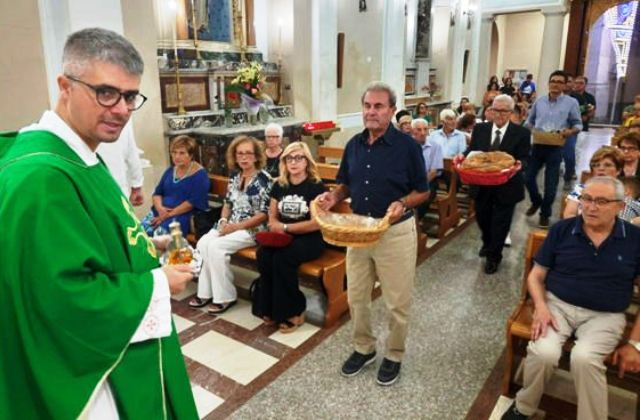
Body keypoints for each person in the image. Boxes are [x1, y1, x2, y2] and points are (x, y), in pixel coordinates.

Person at [0, 27, 197, 419]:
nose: (122, 109)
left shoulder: (79, 154)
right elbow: (61, 298)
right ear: (65, 86)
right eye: (106, 92)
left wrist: (145, 245)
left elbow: (88, 239)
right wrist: (160, 283)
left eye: (130, 96)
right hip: (91, 378)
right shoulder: (43, 177)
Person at [317, 81, 428, 386]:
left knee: (396, 301)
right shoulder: (354, 144)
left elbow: (422, 191)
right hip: (359, 231)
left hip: (395, 233)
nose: (371, 112)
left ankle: (394, 354)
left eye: (379, 106)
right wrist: (334, 197)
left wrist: (401, 202)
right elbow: (345, 184)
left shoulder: (407, 147)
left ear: (392, 110)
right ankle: (363, 348)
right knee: (357, 297)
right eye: (367, 106)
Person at [501, 176, 640, 420]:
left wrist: (634, 344)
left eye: (601, 201)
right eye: (586, 199)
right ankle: (523, 407)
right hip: (557, 306)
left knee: (584, 359)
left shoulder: (634, 239)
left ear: (620, 206)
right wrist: (541, 307)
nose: (591, 207)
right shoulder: (562, 230)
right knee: (544, 352)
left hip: (605, 315)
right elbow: (536, 276)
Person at [189, 135, 271, 314]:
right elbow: (227, 203)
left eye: (248, 153)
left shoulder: (264, 180)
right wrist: (224, 221)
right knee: (203, 242)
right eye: (239, 153)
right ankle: (205, 292)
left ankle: (226, 296)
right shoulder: (235, 176)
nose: (243, 157)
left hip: (252, 229)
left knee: (217, 247)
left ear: (257, 156)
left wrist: (235, 227)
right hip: (230, 224)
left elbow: (263, 215)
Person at [256, 142, 326, 333]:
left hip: (310, 238)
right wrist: (274, 225)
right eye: (289, 158)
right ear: (284, 162)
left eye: (299, 158)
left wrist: (286, 227)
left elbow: (316, 223)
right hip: (283, 236)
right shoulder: (279, 184)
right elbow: (272, 214)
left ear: (307, 161)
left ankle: (295, 309)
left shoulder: (316, 187)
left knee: (282, 258)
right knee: (264, 254)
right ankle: (270, 307)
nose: (293, 162)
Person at [466, 95, 531, 274]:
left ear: (511, 112)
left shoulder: (522, 133)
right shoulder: (480, 129)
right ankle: (488, 243)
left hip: (507, 185)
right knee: (482, 218)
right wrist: (464, 157)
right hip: (482, 184)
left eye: (504, 111)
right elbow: (473, 151)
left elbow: (525, 158)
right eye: (496, 110)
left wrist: (518, 166)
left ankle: (494, 256)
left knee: (500, 222)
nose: (499, 114)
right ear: (490, 111)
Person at [524, 70, 582, 228]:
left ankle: (545, 213)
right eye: (553, 81)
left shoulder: (571, 103)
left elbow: (578, 124)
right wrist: (533, 129)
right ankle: (536, 201)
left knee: (551, 185)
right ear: (549, 83)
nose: (555, 84)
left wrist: (569, 131)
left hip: (556, 147)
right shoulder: (540, 101)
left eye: (559, 81)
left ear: (564, 85)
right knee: (528, 178)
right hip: (538, 145)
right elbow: (529, 121)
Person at [141, 135, 210, 236]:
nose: (177, 156)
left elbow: (192, 203)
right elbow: (157, 193)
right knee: (140, 232)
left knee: (159, 235)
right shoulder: (170, 171)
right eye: (174, 152)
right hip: (160, 212)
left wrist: (166, 215)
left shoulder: (200, 175)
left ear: (190, 155)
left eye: (182, 153)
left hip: (181, 216)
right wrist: (160, 209)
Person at [563, 146, 640, 221]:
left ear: (618, 170)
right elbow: (569, 215)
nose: (601, 168)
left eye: (607, 165)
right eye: (596, 165)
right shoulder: (581, 189)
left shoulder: (628, 191)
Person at [97, 120, 144, 205]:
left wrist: (137, 184)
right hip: (115, 188)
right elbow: (131, 152)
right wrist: (137, 185)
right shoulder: (121, 116)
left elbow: (131, 151)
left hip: (115, 187)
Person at [412, 118, 444, 220]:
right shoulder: (407, 146)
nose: (422, 133)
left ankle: (416, 225)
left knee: (421, 200)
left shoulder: (435, 146)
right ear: (413, 131)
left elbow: (433, 172)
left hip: (428, 182)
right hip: (410, 182)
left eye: (425, 129)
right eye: (419, 129)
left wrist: (417, 186)